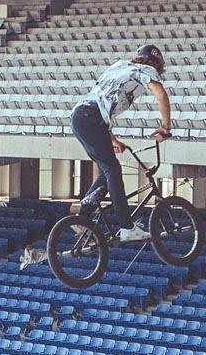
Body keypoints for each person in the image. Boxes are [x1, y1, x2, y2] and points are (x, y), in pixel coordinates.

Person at [69, 45, 171, 241]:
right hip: (91, 118)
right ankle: (126, 227)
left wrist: (112, 139)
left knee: (108, 171)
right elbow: (161, 95)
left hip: (81, 116)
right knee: (113, 171)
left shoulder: (119, 66)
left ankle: (82, 217)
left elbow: (102, 100)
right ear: (155, 62)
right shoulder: (146, 70)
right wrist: (165, 127)